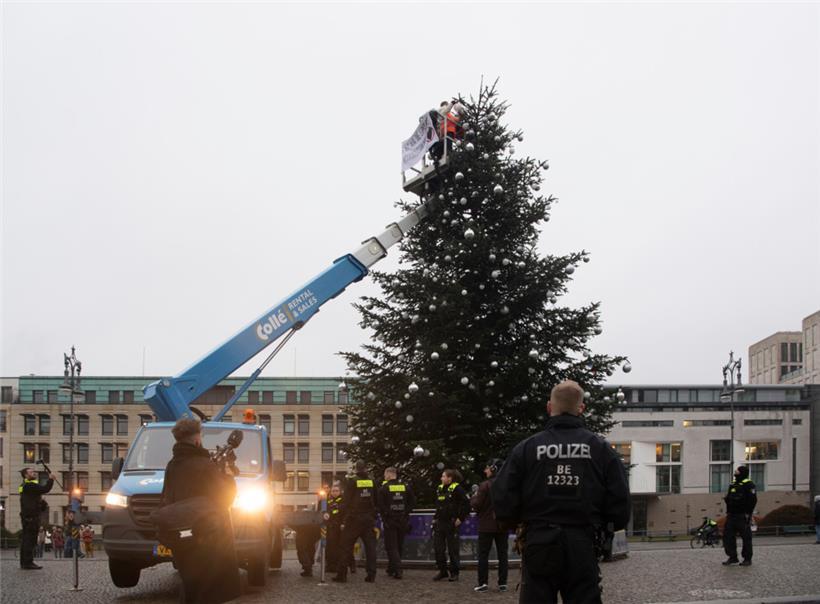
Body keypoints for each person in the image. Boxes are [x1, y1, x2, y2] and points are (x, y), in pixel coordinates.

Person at [491, 380, 631, 604]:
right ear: (581, 408)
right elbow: (619, 499)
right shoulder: (600, 449)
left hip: (539, 540)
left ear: (549, 407)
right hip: (583, 542)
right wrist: (608, 528)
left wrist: (516, 521)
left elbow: (503, 494)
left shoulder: (527, 448)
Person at [159, 417, 240, 604]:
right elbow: (226, 497)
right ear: (197, 440)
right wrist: (226, 473)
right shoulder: (205, 466)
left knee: (189, 584)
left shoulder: (172, 465)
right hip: (206, 536)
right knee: (208, 590)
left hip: (180, 535)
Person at [333, 460, 378, 583]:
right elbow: (376, 500)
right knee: (370, 548)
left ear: (356, 469)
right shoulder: (372, 481)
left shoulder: (352, 481)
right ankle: (371, 575)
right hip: (368, 519)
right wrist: (373, 515)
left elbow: (346, 501)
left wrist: (340, 517)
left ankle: (341, 575)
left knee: (345, 547)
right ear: (366, 468)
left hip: (354, 519)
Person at [471, 458, 509, 593]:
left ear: (493, 469)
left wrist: (474, 496)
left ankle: (483, 583)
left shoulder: (485, 485)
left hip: (486, 525)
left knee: (483, 555)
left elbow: (476, 505)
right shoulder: (507, 485)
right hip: (503, 525)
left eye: (487, 468)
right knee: (503, 555)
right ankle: (503, 583)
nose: (485, 470)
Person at [432, 468, 470, 582]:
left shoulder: (457, 489)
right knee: (439, 548)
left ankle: (454, 572)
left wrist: (461, 518)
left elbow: (467, 504)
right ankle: (443, 571)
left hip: (452, 522)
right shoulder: (439, 489)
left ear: (450, 478)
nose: (441, 478)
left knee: (453, 549)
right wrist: (435, 518)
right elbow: (439, 506)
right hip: (440, 523)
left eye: (443, 476)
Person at [378, 467, 416, 579]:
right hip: (403, 520)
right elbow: (413, 501)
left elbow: (380, 505)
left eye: (385, 474)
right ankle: (392, 568)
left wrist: (387, 514)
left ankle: (398, 569)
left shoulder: (384, 488)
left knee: (391, 546)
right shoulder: (405, 486)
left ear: (389, 475)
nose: (384, 477)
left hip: (390, 521)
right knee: (399, 545)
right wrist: (406, 512)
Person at [18, 467, 55, 570]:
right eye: (31, 472)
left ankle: (24, 562)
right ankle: (28, 563)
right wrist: (51, 479)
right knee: (30, 540)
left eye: (34, 471)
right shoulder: (30, 485)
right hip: (31, 518)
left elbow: (35, 502)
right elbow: (45, 489)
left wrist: (41, 502)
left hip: (28, 517)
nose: (34, 473)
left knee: (26, 540)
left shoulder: (25, 486)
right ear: (26, 475)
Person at [722, 465, 757, 566]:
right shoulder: (733, 484)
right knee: (728, 536)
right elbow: (729, 497)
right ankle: (732, 557)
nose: (735, 472)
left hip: (743, 515)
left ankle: (747, 558)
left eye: (737, 471)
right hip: (731, 515)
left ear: (742, 473)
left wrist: (748, 513)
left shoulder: (749, 485)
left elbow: (753, 500)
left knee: (746, 537)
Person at [293, 502, 321, 577]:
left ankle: (307, 568)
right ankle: (308, 567)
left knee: (302, 550)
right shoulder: (312, 515)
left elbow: (293, 523)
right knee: (310, 549)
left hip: (303, 533)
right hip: (312, 534)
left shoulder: (299, 515)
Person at [323, 483, 344, 571]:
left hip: (340, 527)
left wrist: (343, 523)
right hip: (330, 527)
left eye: (336, 491)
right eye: (333, 491)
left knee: (339, 547)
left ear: (340, 491)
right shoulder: (328, 501)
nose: (334, 493)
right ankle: (330, 565)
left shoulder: (343, 501)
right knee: (329, 547)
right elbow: (324, 512)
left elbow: (345, 514)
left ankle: (338, 566)